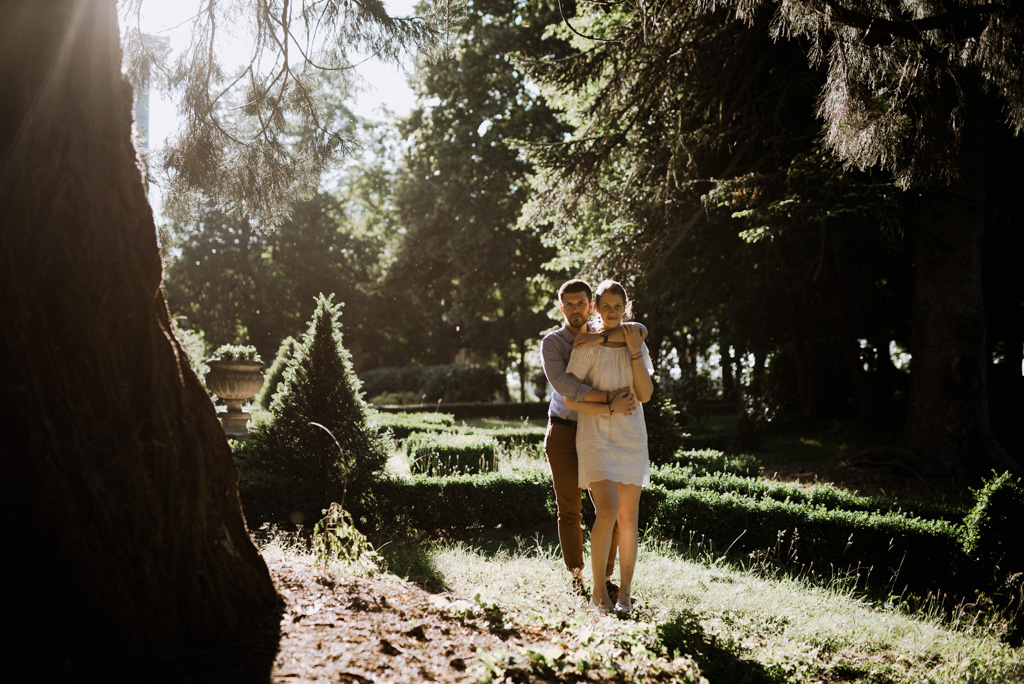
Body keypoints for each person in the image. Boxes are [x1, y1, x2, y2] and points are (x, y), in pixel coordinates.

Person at [540, 279, 646, 600]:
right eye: (568, 304)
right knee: (570, 508)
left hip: (602, 430)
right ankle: (576, 577)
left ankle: (606, 577)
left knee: (609, 510)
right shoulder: (552, 343)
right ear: (561, 308)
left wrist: (600, 335)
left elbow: (640, 329)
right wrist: (610, 400)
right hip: (564, 430)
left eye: (581, 304)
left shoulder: (608, 335)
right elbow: (566, 388)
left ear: (591, 306)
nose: (575, 309)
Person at [564, 279, 653, 614]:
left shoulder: (636, 340)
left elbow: (644, 395)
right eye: (607, 307)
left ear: (625, 308)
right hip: (596, 434)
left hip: (632, 435)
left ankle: (625, 594)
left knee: (629, 517)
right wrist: (608, 408)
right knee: (608, 511)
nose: (613, 312)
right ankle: (599, 592)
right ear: (596, 309)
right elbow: (571, 401)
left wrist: (633, 352)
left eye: (619, 307)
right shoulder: (586, 345)